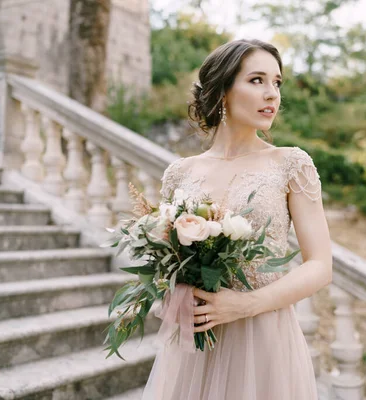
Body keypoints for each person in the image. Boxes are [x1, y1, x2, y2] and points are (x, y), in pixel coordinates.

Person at [141, 39, 333, 400]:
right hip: (196, 346)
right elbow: (171, 262)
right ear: (223, 91)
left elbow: (321, 265)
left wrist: (244, 304)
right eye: (257, 80)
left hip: (263, 334)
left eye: (277, 83)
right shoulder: (180, 172)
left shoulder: (291, 164)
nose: (271, 94)